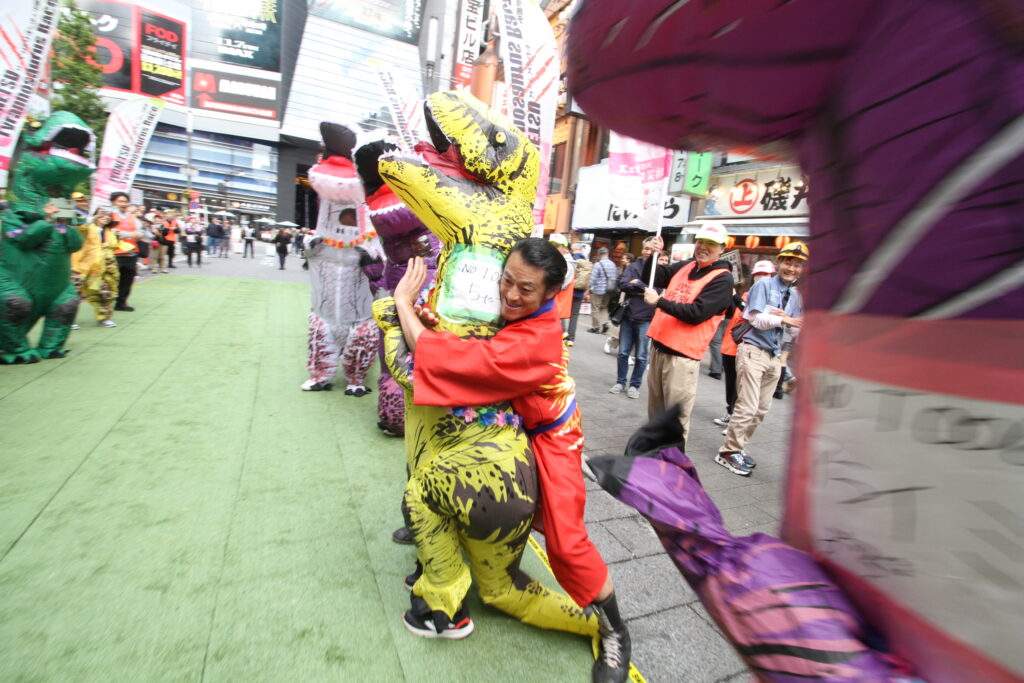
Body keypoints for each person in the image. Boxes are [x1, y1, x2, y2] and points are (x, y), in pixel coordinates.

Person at [394, 240, 632, 682]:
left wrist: (403, 305)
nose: (509, 294)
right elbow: (464, 342)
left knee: (565, 540)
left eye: (525, 288)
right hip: (514, 423)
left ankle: (614, 628)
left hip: (552, 435)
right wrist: (433, 319)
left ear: (550, 293)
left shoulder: (537, 340)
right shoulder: (514, 310)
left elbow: (454, 360)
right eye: (506, 280)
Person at [716, 243, 806, 476]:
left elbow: (796, 328)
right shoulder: (763, 284)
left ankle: (739, 447)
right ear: (779, 263)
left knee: (762, 410)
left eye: (797, 265)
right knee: (747, 406)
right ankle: (728, 451)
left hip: (775, 356)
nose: (792, 268)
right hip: (753, 350)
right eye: (788, 262)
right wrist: (784, 320)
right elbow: (756, 319)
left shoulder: (796, 296)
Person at [641, 225, 734, 441]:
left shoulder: (723, 278)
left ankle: (673, 465)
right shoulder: (686, 266)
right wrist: (653, 256)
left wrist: (659, 301)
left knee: (675, 419)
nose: (703, 247)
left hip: (682, 357)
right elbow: (653, 277)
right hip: (659, 348)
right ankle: (654, 458)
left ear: (722, 248)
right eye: (700, 241)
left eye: (710, 243)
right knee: (656, 414)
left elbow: (696, 313)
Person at [713, 260, 776, 438]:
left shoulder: (771, 297)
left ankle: (736, 423)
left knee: (743, 389)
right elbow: (735, 312)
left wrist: (736, 298)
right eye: (759, 274)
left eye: (765, 274)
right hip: (730, 343)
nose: (762, 278)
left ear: (771, 276)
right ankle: (730, 412)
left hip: (748, 347)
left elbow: (751, 315)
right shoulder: (748, 293)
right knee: (731, 383)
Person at [610, 237, 658, 399]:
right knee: (623, 352)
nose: (647, 251)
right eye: (645, 248)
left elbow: (657, 291)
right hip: (628, 315)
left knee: (642, 355)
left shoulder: (658, 270)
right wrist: (643, 289)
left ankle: (635, 385)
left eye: (651, 249)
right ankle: (620, 381)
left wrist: (638, 284)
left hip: (646, 317)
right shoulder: (633, 266)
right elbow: (623, 284)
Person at [70, 208, 120, 327]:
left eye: (108, 215)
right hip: (81, 266)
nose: (105, 217)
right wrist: (91, 219)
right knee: (74, 293)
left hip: (100, 268)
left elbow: (113, 246)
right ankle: (69, 320)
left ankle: (104, 317)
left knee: (104, 292)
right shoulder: (88, 227)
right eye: (102, 214)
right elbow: (80, 227)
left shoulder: (108, 232)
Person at [109, 192, 141, 311]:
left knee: (127, 280)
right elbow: (110, 232)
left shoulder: (132, 217)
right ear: (113, 202)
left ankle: (121, 303)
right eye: (120, 201)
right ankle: (106, 303)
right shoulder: (109, 215)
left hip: (131, 253)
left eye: (125, 201)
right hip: (114, 253)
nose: (123, 204)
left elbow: (140, 233)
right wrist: (130, 235)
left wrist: (132, 235)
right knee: (111, 280)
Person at [548, 233, 576, 341]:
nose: (553, 249)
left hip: (554, 306)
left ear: (564, 248)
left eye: (556, 246)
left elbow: (558, 285)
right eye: (551, 245)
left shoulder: (566, 264)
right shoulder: (557, 261)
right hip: (552, 307)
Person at [566, 242, 591, 345]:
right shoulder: (586, 261)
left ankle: (561, 334)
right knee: (574, 315)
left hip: (569, 290)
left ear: (574, 249)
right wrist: (587, 291)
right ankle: (571, 338)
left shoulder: (572, 259)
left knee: (561, 312)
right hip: (580, 291)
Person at [588, 247, 618, 333]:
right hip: (609, 290)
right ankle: (605, 323)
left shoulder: (598, 264)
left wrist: (589, 287)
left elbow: (593, 278)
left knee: (595, 308)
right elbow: (614, 277)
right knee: (604, 307)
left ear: (599, 254)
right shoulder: (613, 264)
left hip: (598, 289)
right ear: (607, 254)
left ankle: (596, 327)